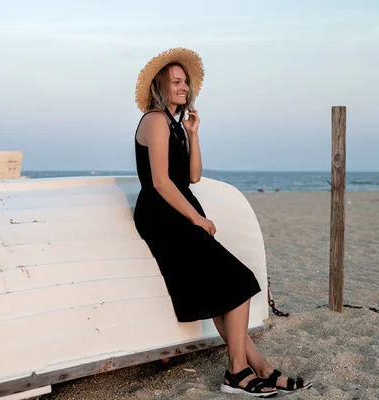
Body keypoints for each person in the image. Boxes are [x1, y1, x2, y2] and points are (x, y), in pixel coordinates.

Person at [132, 47, 312, 397]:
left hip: (179, 206)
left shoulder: (176, 125)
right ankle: (236, 371)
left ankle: (258, 367)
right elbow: (160, 181)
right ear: (160, 86)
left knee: (222, 289)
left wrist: (194, 133)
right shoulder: (154, 119)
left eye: (186, 82)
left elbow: (193, 176)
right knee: (238, 281)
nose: (184, 87)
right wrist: (197, 217)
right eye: (176, 82)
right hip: (161, 214)